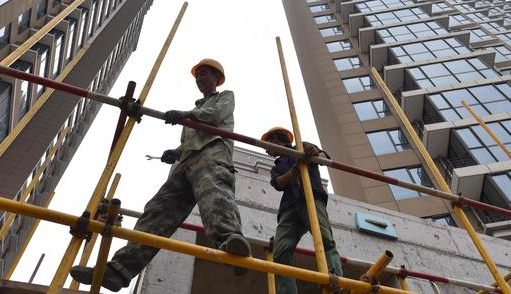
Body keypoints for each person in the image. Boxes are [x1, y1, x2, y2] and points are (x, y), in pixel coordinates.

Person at [71, 59, 250, 292]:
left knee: (214, 194)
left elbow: (214, 116)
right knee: (157, 211)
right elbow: (190, 140)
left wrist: (186, 115)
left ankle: (230, 242)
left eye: (204, 74)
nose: (199, 79)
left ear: (217, 78)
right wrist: (175, 152)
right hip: (186, 161)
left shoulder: (224, 97)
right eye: (197, 76)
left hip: (212, 152)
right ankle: (119, 270)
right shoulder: (197, 110)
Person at [261, 127, 343, 294]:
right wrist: (292, 174)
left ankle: (335, 282)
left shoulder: (301, 145)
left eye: (267, 144)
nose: (266, 149)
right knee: (280, 250)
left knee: (324, 239)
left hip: (311, 197)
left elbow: (324, 157)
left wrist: (313, 153)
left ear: (276, 139)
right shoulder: (277, 165)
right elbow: (277, 183)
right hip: (289, 206)